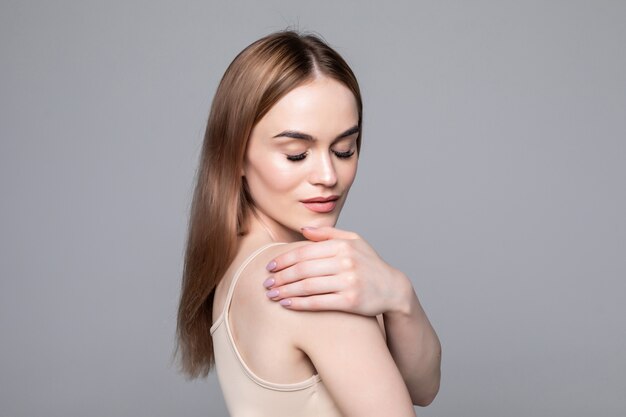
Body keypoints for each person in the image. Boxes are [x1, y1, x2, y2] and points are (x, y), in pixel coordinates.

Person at [175, 29, 441, 417]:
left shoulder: (236, 269)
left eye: (343, 149)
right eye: (297, 154)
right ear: (235, 154)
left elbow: (423, 386)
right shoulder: (306, 281)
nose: (328, 175)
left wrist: (399, 295)